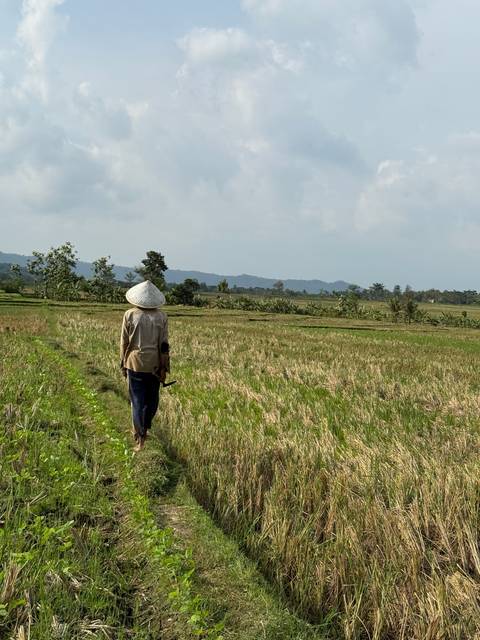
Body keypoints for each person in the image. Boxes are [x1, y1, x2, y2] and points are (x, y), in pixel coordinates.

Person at [120, 280, 169, 451]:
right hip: (154, 366)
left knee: (138, 400)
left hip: (134, 363)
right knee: (152, 400)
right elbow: (164, 345)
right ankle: (143, 429)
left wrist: (122, 363)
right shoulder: (161, 316)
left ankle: (139, 436)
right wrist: (165, 368)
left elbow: (124, 342)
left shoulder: (130, 315)